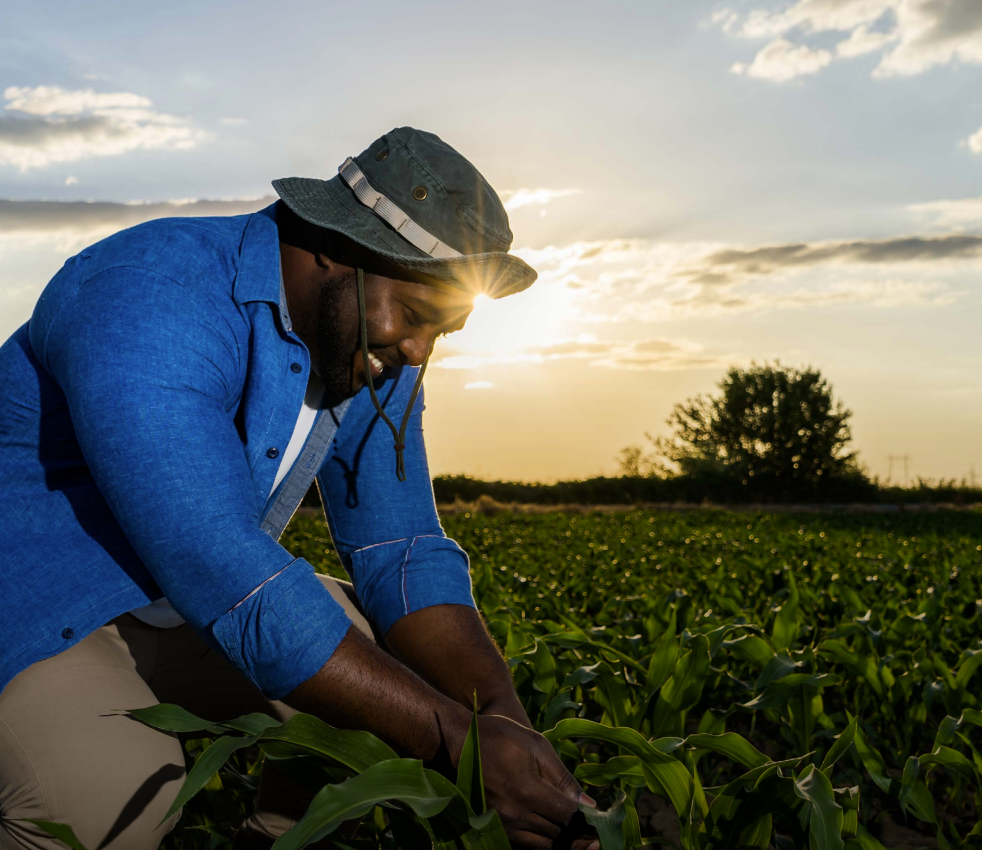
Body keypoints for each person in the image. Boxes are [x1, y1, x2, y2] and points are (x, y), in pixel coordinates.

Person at [0, 128, 598, 850]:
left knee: (398, 681)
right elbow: (224, 569)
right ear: (334, 247)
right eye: (413, 318)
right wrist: (456, 742)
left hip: (177, 611)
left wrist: (502, 723)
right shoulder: (149, 294)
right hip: (40, 610)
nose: (416, 355)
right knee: (112, 797)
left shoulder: (362, 350)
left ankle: (279, 837)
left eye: (442, 332)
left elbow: (400, 547)